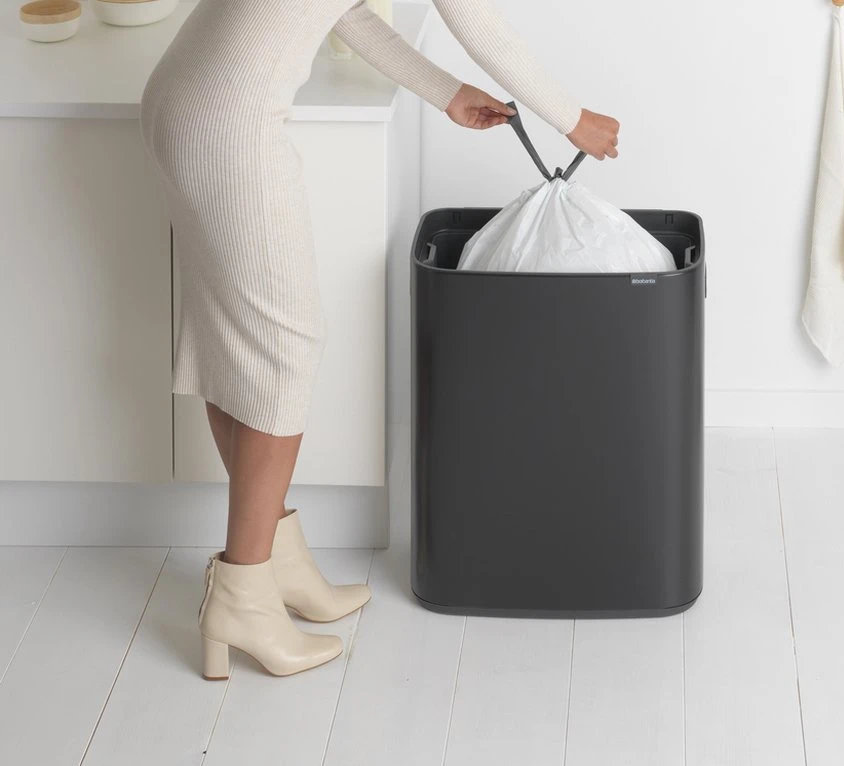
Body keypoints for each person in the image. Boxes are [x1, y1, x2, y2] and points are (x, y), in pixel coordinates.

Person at [139, 0, 619, 680]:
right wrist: (575, 120)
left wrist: (445, 92)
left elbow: (351, 13)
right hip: (228, 125)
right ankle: (242, 595)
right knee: (283, 349)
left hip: (188, 102)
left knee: (233, 338)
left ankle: (276, 561)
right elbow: (479, 24)